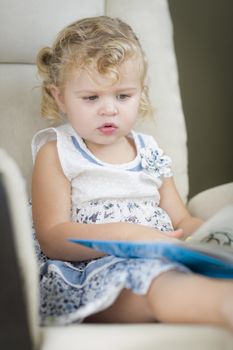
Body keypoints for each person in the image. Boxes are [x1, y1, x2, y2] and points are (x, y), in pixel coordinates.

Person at [31, 16, 233, 329]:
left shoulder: (149, 149)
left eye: (123, 96)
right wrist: (127, 234)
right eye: (91, 97)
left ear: (141, 92)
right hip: (94, 273)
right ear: (60, 98)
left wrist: (209, 237)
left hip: (166, 256)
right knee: (158, 282)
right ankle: (224, 306)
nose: (109, 109)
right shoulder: (58, 151)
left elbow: (181, 219)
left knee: (194, 271)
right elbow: (53, 237)